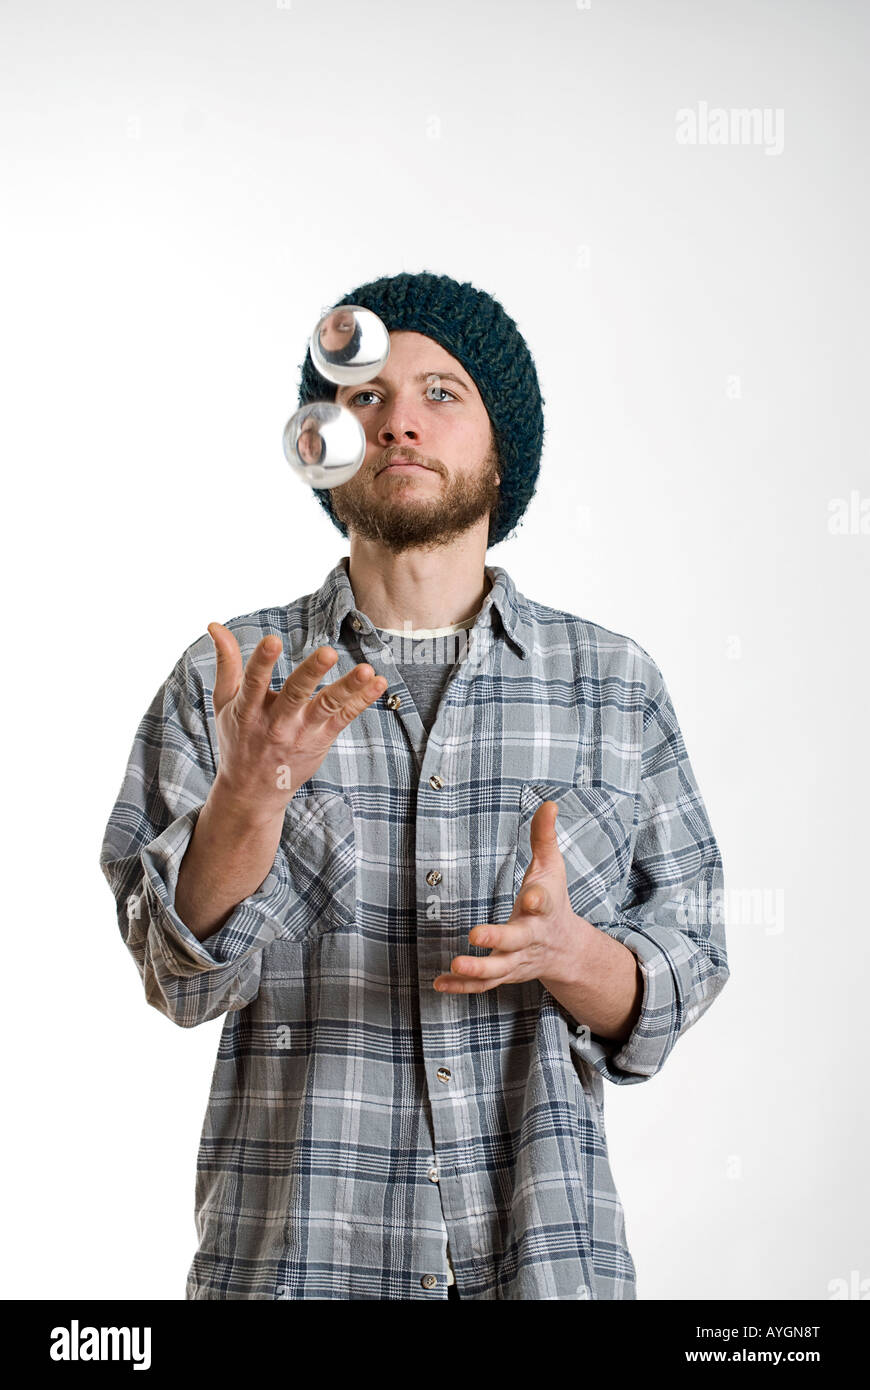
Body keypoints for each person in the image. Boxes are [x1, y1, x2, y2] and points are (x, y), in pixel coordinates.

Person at [100, 270, 729, 1301]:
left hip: (547, 1266)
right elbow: (178, 981)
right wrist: (249, 800)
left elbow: (683, 972)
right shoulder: (235, 680)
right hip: (294, 1267)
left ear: (502, 446)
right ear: (324, 443)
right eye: (365, 397)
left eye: (443, 393)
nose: (400, 422)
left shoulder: (615, 684)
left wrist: (570, 955)